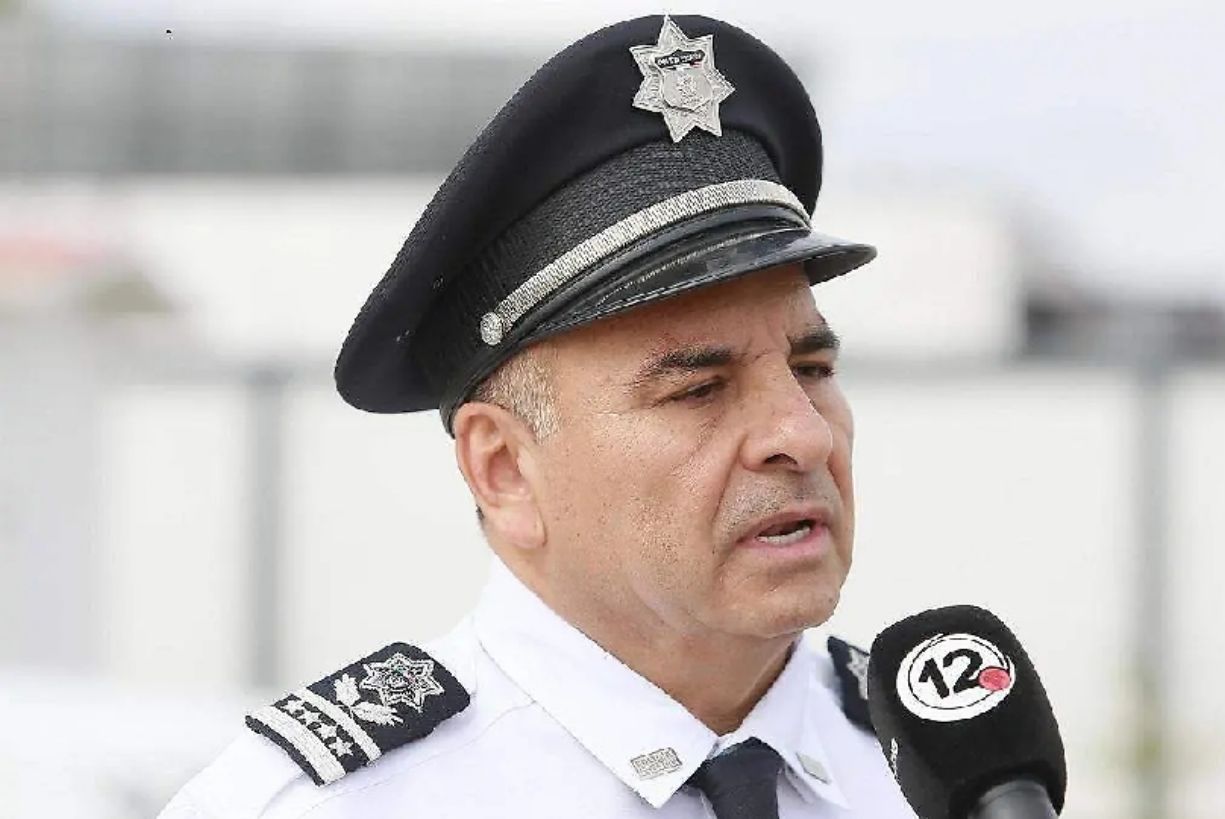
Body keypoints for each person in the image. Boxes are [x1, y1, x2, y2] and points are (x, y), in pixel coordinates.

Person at [160, 14, 915, 818]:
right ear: (505, 469)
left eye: (812, 369)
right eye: (699, 389)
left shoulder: (939, 774)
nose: (802, 434)